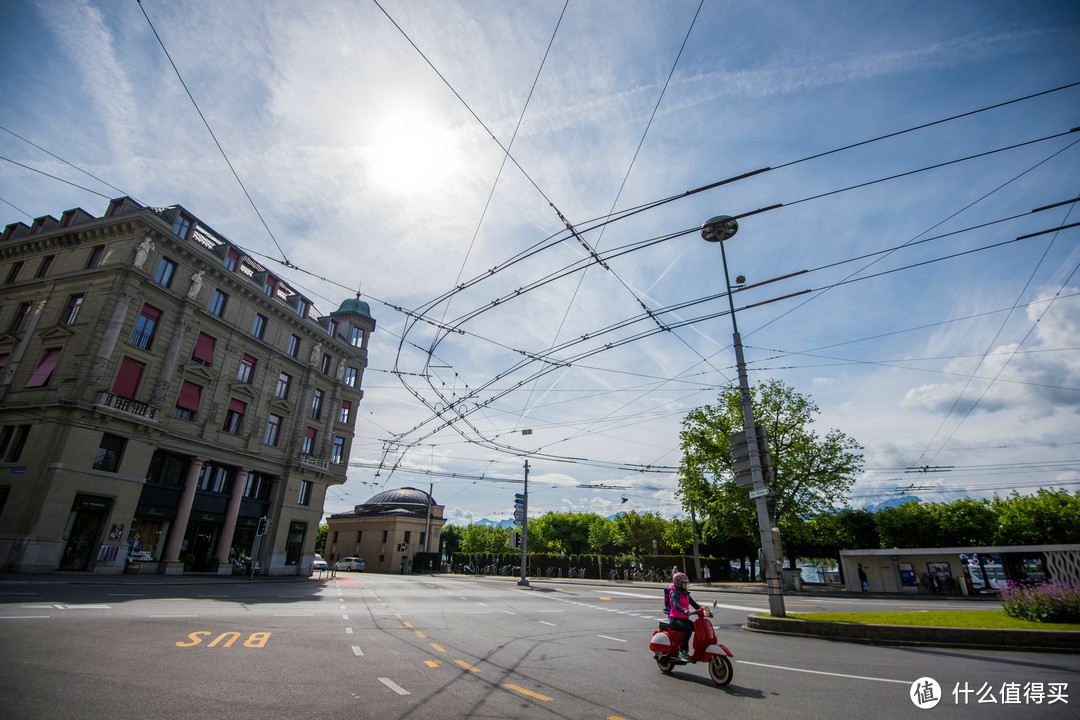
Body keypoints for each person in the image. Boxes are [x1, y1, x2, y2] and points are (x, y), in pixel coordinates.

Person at [667, 572, 701, 661]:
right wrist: (684, 610)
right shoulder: (674, 593)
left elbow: (695, 604)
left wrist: (704, 609)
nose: (686, 585)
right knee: (688, 630)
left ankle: (698, 649)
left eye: (686, 583)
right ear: (678, 583)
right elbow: (676, 604)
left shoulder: (685, 594)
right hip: (675, 619)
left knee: (698, 628)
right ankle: (682, 651)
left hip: (684, 618)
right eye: (684, 583)